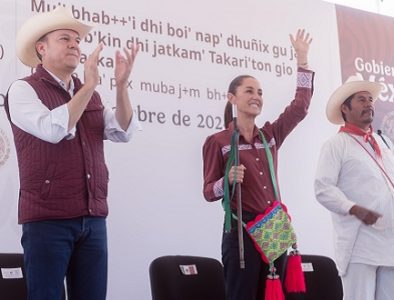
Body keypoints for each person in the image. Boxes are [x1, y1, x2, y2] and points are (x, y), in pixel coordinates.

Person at [4, 7, 140, 300]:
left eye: (77, 41)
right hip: (46, 221)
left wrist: (121, 86)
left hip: (92, 219)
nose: (75, 45)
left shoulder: (88, 93)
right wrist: (90, 84)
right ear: (42, 48)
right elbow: (53, 130)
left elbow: (122, 131)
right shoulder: (23, 90)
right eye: (65, 39)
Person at [202, 29, 314, 300]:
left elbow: (300, 107)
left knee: (275, 295)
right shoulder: (218, 141)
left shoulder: (270, 136)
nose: (257, 96)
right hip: (240, 230)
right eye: (249, 90)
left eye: (260, 92)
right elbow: (208, 192)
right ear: (232, 98)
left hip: (273, 225)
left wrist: (302, 60)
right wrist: (226, 180)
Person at [315, 75, 394, 300]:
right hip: (359, 245)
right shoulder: (336, 144)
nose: (369, 103)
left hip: (390, 242)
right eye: (361, 99)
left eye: (370, 99)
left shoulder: (384, 143)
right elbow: (323, 188)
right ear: (345, 108)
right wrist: (354, 208)